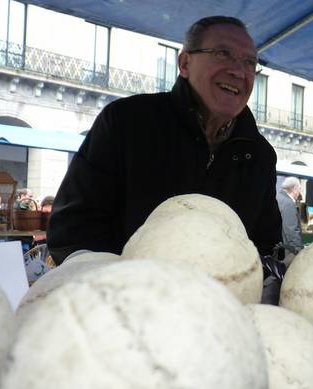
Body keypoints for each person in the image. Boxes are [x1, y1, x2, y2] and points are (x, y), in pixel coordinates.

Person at [47, 16, 281, 264]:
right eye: (223, 54)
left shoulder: (259, 154)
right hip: (121, 294)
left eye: (249, 62)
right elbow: (72, 229)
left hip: (221, 300)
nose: (238, 71)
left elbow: (267, 245)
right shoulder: (126, 122)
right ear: (185, 63)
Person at [276, 176, 303, 257]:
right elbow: (291, 230)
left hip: (277, 246)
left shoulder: (277, 197)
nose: (299, 192)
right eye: (299, 189)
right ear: (295, 189)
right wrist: (297, 250)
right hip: (286, 249)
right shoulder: (288, 203)